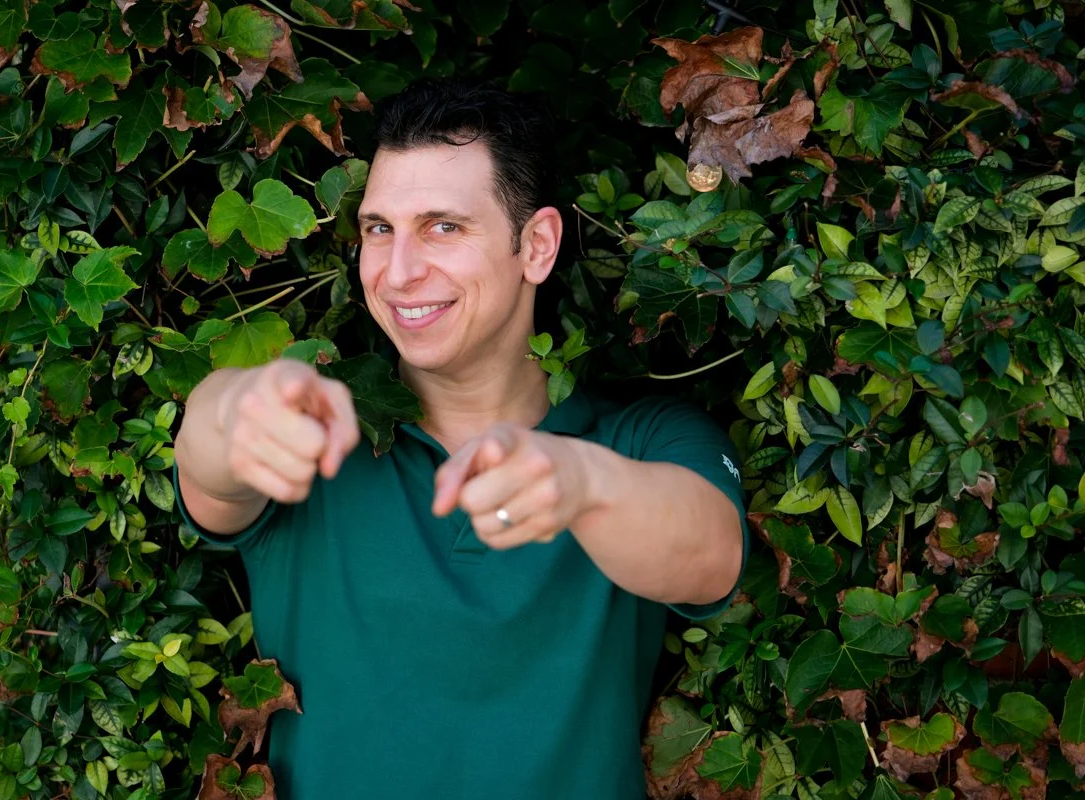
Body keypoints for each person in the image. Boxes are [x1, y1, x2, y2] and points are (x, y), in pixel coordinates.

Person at [173, 79, 748, 800]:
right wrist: (237, 408)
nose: (399, 272)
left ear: (536, 246)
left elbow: (709, 555)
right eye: (379, 229)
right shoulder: (311, 434)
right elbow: (209, 454)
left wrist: (581, 483)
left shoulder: (641, 438)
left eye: (443, 227)